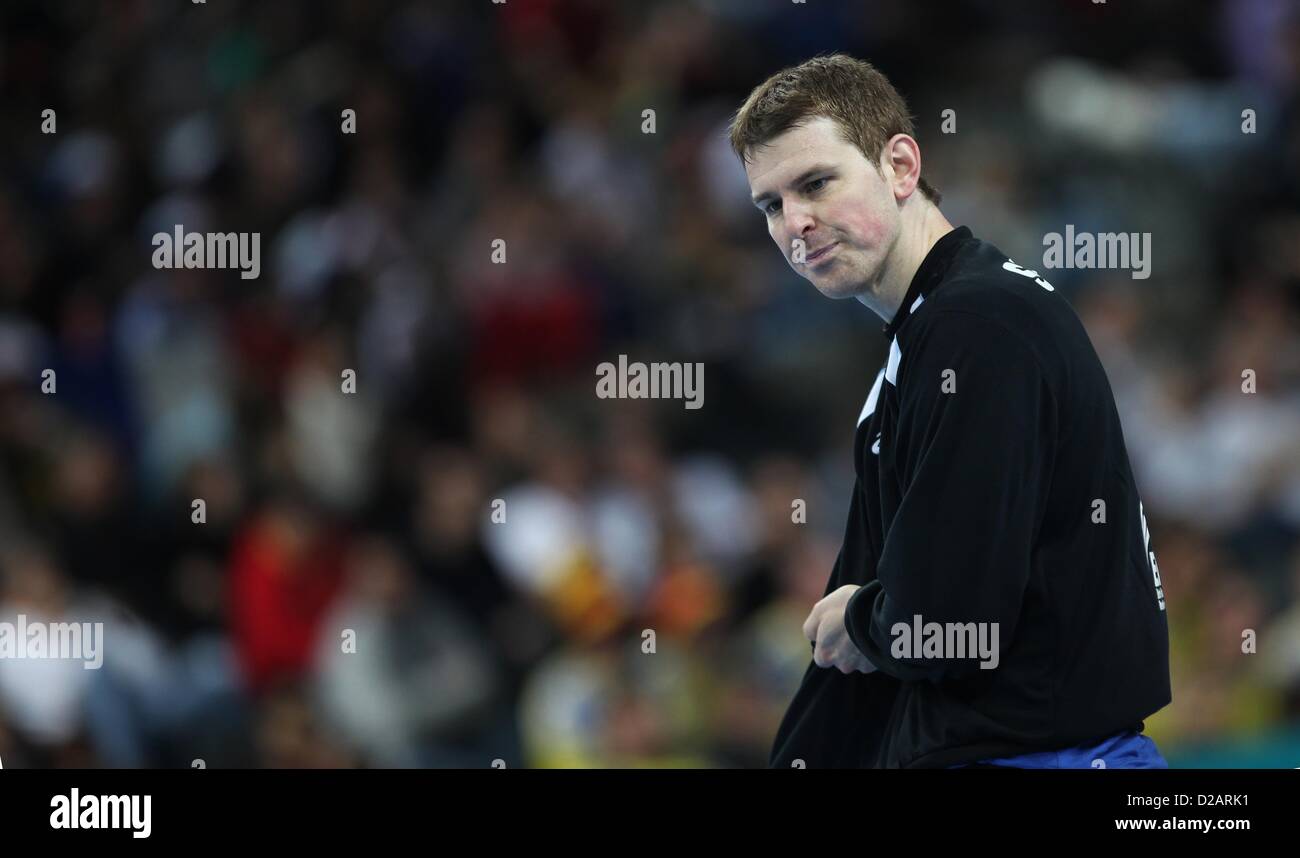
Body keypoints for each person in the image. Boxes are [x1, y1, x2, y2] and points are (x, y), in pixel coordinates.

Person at [729, 54, 1171, 768]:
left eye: (816, 183)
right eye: (771, 205)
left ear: (901, 166)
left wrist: (864, 621)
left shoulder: (980, 325)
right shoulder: (931, 339)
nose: (795, 224)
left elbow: (950, 619)